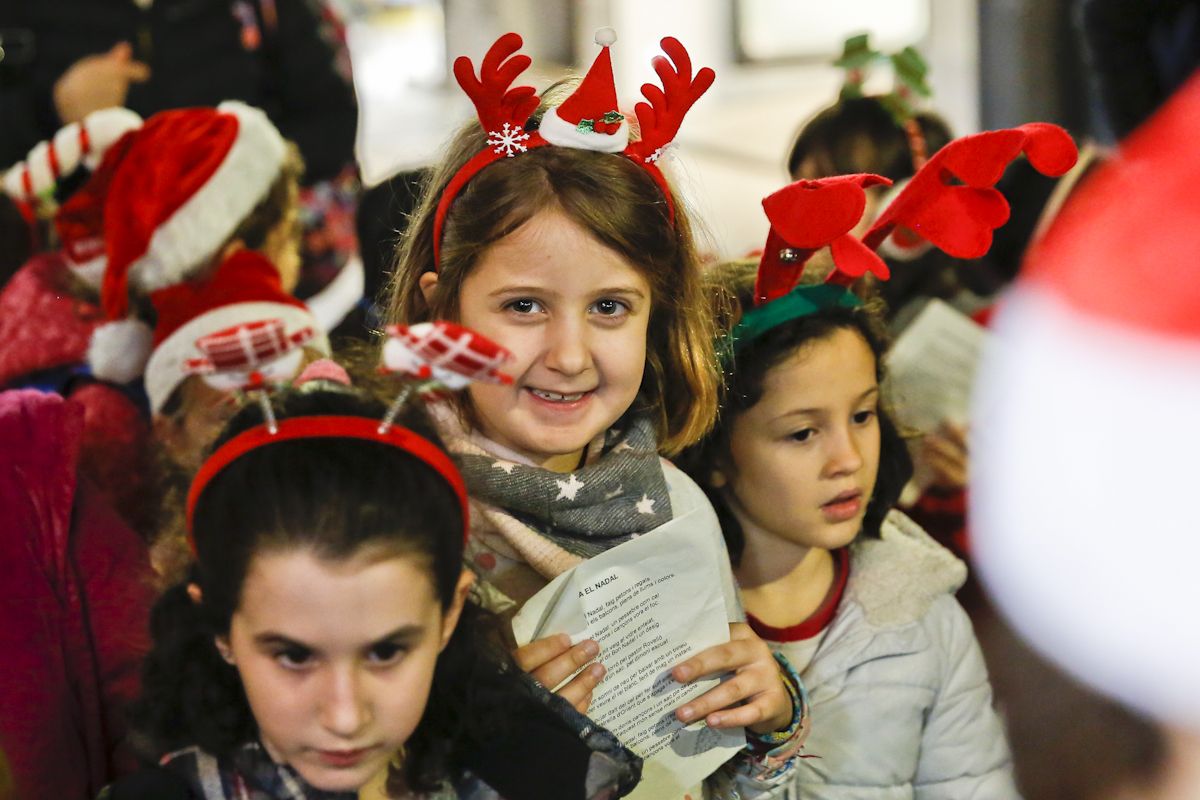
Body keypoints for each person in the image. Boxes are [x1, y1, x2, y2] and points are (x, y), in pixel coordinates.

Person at [386, 30, 807, 795]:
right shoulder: (399, 522)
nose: (571, 354)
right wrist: (492, 739)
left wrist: (765, 722)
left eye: (610, 307)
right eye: (523, 307)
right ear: (438, 305)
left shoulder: (672, 505)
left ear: (658, 313)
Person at [679, 124, 1076, 796]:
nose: (847, 459)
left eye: (862, 416)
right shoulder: (671, 623)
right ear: (716, 452)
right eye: (802, 433)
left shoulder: (923, 610)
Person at [104, 381, 640, 799]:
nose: (344, 716)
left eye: (386, 651)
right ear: (220, 624)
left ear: (449, 612)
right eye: (293, 655)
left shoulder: (535, 776)